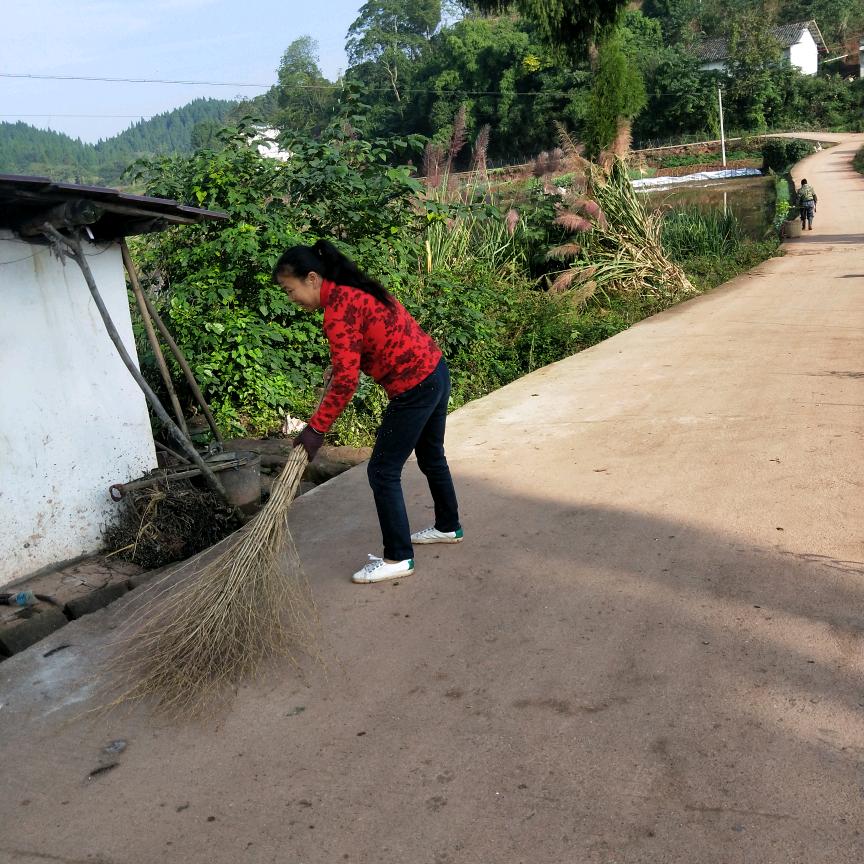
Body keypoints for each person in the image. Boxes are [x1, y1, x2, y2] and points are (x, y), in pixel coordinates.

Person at [274, 240, 463, 584]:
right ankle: (448, 527)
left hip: (414, 388)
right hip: (435, 371)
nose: (292, 299)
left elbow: (346, 383)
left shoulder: (338, 309)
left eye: (290, 290)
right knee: (431, 455)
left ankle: (398, 557)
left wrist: (315, 430)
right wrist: (340, 367)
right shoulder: (356, 289)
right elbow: (363, 347)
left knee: (382, 471)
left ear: (312, 278)